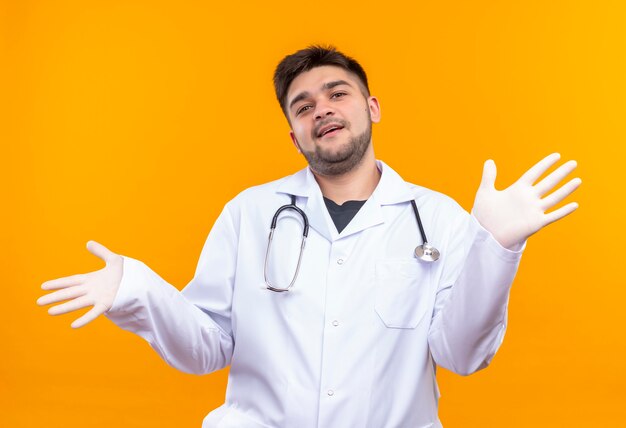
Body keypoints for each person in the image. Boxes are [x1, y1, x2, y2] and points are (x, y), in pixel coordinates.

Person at [37, 45, 581, 428]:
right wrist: (137, 289)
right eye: (303, 106)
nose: (321, 108)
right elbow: (205, 349)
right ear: (295, 137)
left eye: (337, 93)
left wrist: (497, 246)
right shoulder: (249, 214)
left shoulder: (439, 220)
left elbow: (461, 355)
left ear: (371, 108)